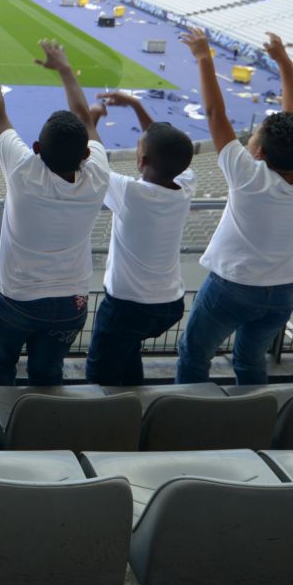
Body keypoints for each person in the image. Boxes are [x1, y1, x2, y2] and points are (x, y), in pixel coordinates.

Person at [176, 29, 293, 385]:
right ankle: (252, 417)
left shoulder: (248, 176)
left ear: (258, 153)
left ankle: (184, 417)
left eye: (254, 136)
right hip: (283, 289)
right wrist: (284, 62)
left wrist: (204, 57)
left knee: (195, 354)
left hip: (233, 285)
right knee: (251, 358)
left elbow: (214, 113)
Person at [0, 35, 108, 386]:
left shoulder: (23, 171)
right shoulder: (100, 173)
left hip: (16, 296)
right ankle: (44, 433)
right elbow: (87, 122)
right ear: (86, 154)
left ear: (36, 147)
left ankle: (3, 431)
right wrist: (64, 69)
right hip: (70, 302)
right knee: (47, 375)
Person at [86, 92, 197, 387]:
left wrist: (93, 116)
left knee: (100, 374)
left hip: (128, 307)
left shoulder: (131, 194)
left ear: (142, 159)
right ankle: (136, 409)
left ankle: (108, 427)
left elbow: (92, 157)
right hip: (169, 305)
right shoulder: (185, 185)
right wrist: (135, 105)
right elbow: (165, 143)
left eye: (138, 147)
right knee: (128, 351)